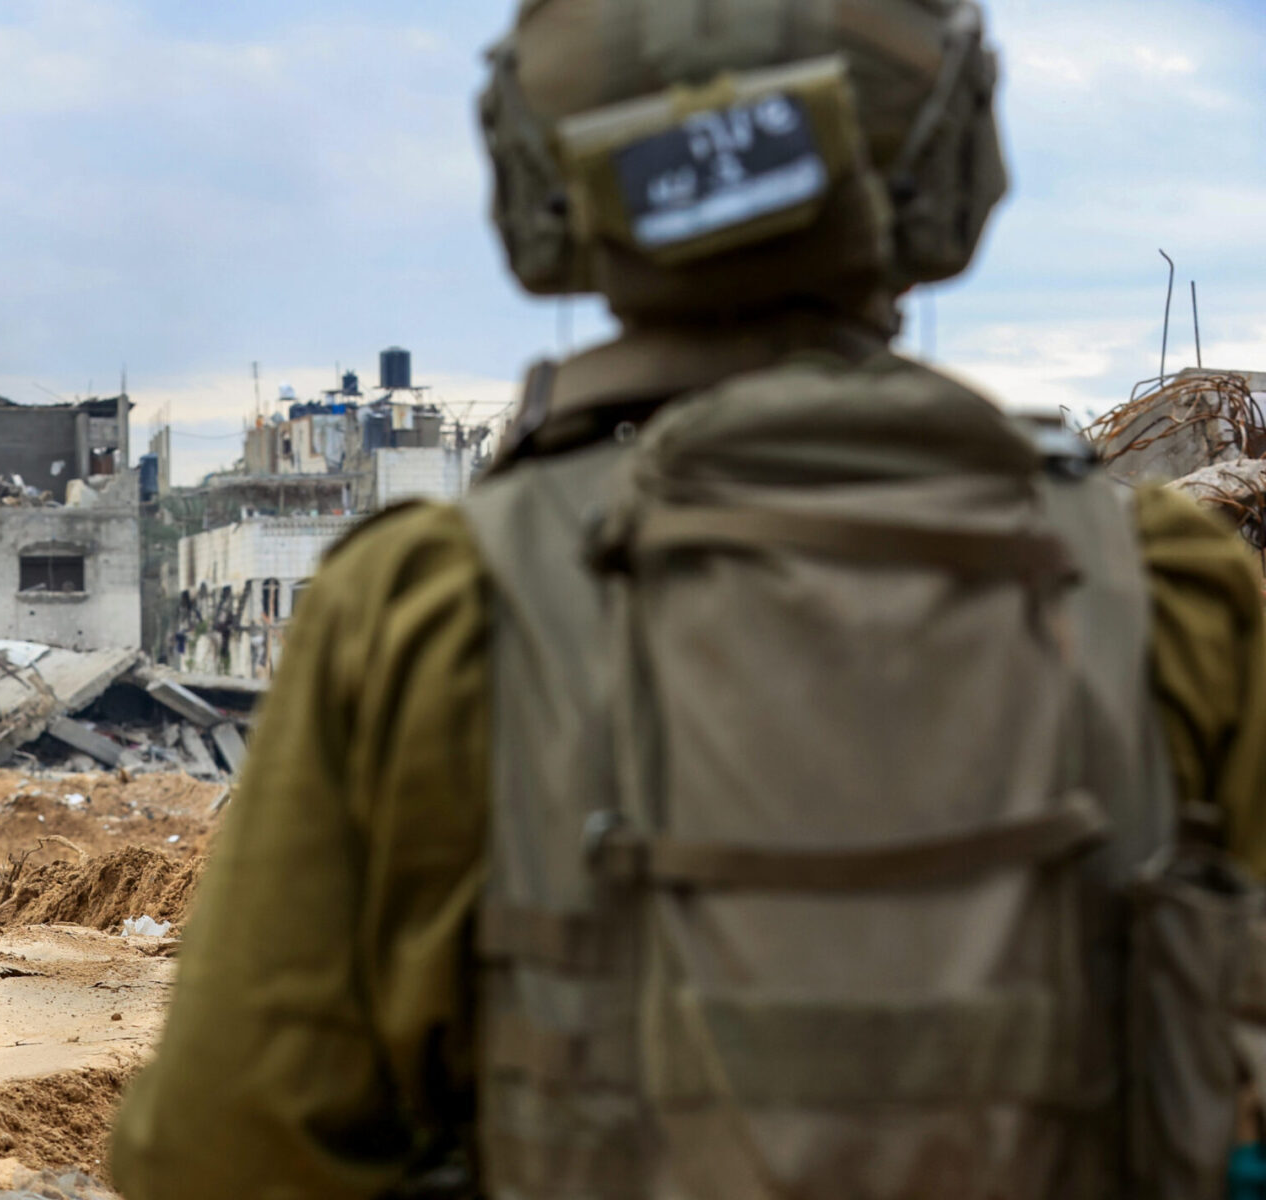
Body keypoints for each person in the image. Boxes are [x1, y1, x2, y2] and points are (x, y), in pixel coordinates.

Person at [111, 2, 1266, 1197]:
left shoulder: (428, 613)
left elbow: (223, 1155)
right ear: (955, 170)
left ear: (537, 189)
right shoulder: (1168, 602)